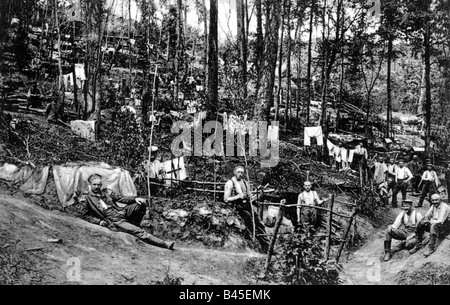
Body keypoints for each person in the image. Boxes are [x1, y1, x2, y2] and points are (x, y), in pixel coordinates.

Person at [79, 174, 175, 250]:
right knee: (139, 231)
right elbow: (85, 215)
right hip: (115, 220)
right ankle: (164, 244)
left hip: (121, 212)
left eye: (99, 184)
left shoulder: (106, 192)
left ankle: (133, 224)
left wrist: (136, 198)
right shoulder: (87, 198)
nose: (97, 187)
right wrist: (98, 221)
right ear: (90, 185)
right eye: (94, 184)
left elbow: (121, 199)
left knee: (140, 204)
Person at [224, 166, 270, 253]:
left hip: (247, 205)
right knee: (250, 221)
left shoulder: (245, 183)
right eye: (238, 172)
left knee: (259, 223)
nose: (240, 174)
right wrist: (238, 196)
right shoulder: (230, 183)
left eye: (242, 172)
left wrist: (255, 196)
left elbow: (250, 196)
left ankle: (267, 247)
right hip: (237, 206)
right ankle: (257, 244)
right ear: (234, 172)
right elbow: (226, 199)